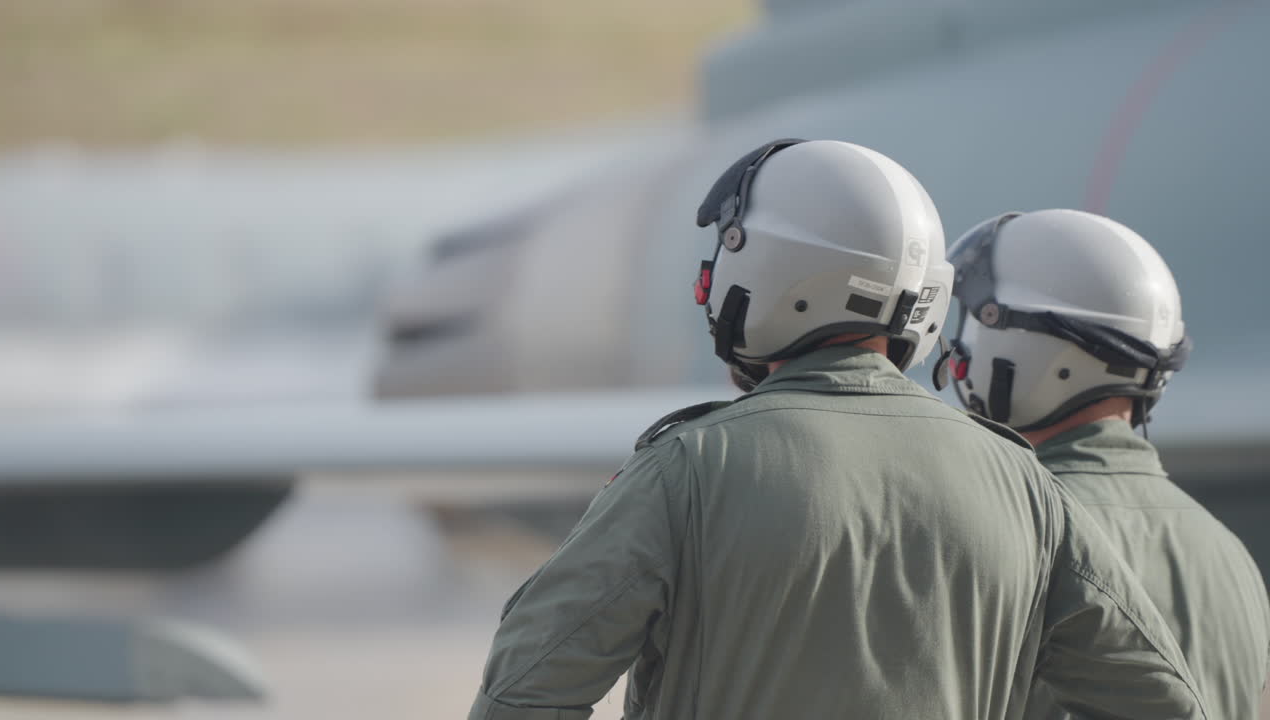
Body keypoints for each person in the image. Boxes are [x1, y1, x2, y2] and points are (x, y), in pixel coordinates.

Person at [468, 140, 1210, 719]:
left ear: (773, 269)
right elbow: (1162, 702)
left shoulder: (688, 469)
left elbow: (528, 688)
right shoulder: (1026, 489)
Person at [941, 208, 1270, 719]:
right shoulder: (1230, 554)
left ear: (1023, 344)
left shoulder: (1004, 528)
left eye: (973, 320)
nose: (958, 350)